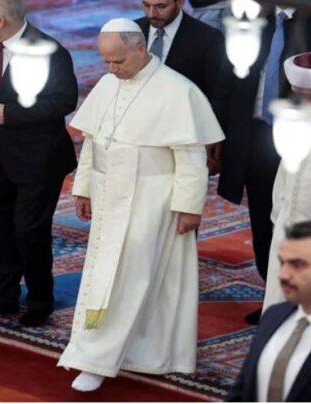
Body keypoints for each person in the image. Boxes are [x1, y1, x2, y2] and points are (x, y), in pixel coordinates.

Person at [57, 18, 224, 392]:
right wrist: (83, 189)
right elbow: (93, 143)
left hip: (153, 199)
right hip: (108, 194)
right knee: (108, 276)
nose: (111, 69)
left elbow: (191, 157)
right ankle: (119, 353)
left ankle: (98, 359)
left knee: (137, 279)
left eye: (118, 61)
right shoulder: (108, 83)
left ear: (140, 49)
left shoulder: (177, 90)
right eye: (106, 62)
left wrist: (189, 207)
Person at [0, 0, 78, 327]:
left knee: (29, 231)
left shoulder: (50, 51)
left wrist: (14, 114)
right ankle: (4, 296)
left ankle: (39, 301)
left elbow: (64, 100)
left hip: (38, 161)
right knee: (0, 229)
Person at [218, 5, 311, 325]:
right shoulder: (253, 22)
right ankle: (272, 299)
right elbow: (230, 80)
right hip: (257, 135)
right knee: (263, 220)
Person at [227, 221, 311, 402]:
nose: (283, 275)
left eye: (297, 264)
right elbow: (242, 392)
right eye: (282, 263)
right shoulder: (274, 316)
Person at [262, 52, 311, 312]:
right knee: (279, 303)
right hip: (288, 227)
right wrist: (277, 216)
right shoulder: (297, 118)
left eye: (310, 96)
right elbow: (285, 170)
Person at [135, 0, 232, 175]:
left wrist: (214, 135)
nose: (151, 14)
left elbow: (219, 93)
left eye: (161, 7)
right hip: (136, 136)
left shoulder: (208, 38)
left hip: (184, 139)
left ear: (179, 2)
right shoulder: (133, 31)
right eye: (146, 5)